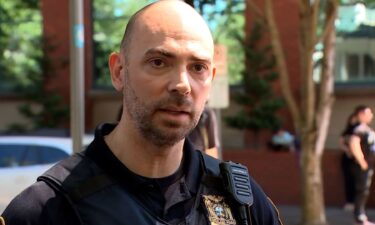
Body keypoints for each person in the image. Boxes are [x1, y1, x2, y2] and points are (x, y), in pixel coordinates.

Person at [1, 1, 282, 224]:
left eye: (198, 67)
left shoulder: (241, 201)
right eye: (159, 62)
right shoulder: (46, 209)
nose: (182, 85)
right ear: (119, 71)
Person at [348, 105, 375, 225]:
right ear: (360, 114)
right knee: (362, 190)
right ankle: (359, 217)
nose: (371, 116)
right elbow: (354, 143)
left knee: (365, 190)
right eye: (368, 113)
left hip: (369, 165)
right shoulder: (359, 129)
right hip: (362, 166)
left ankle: (361, 216)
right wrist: (362, 161)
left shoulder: (367, 129)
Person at [338, 112, 358, 211]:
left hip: (357, 159)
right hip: (347, 159)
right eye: (352, 119)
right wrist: (348, 151)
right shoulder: (345, 133)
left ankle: (357, 203)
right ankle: (349, 202)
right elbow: (341, 144)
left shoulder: (359, 132)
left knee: (357, 181)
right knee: (348, 180)